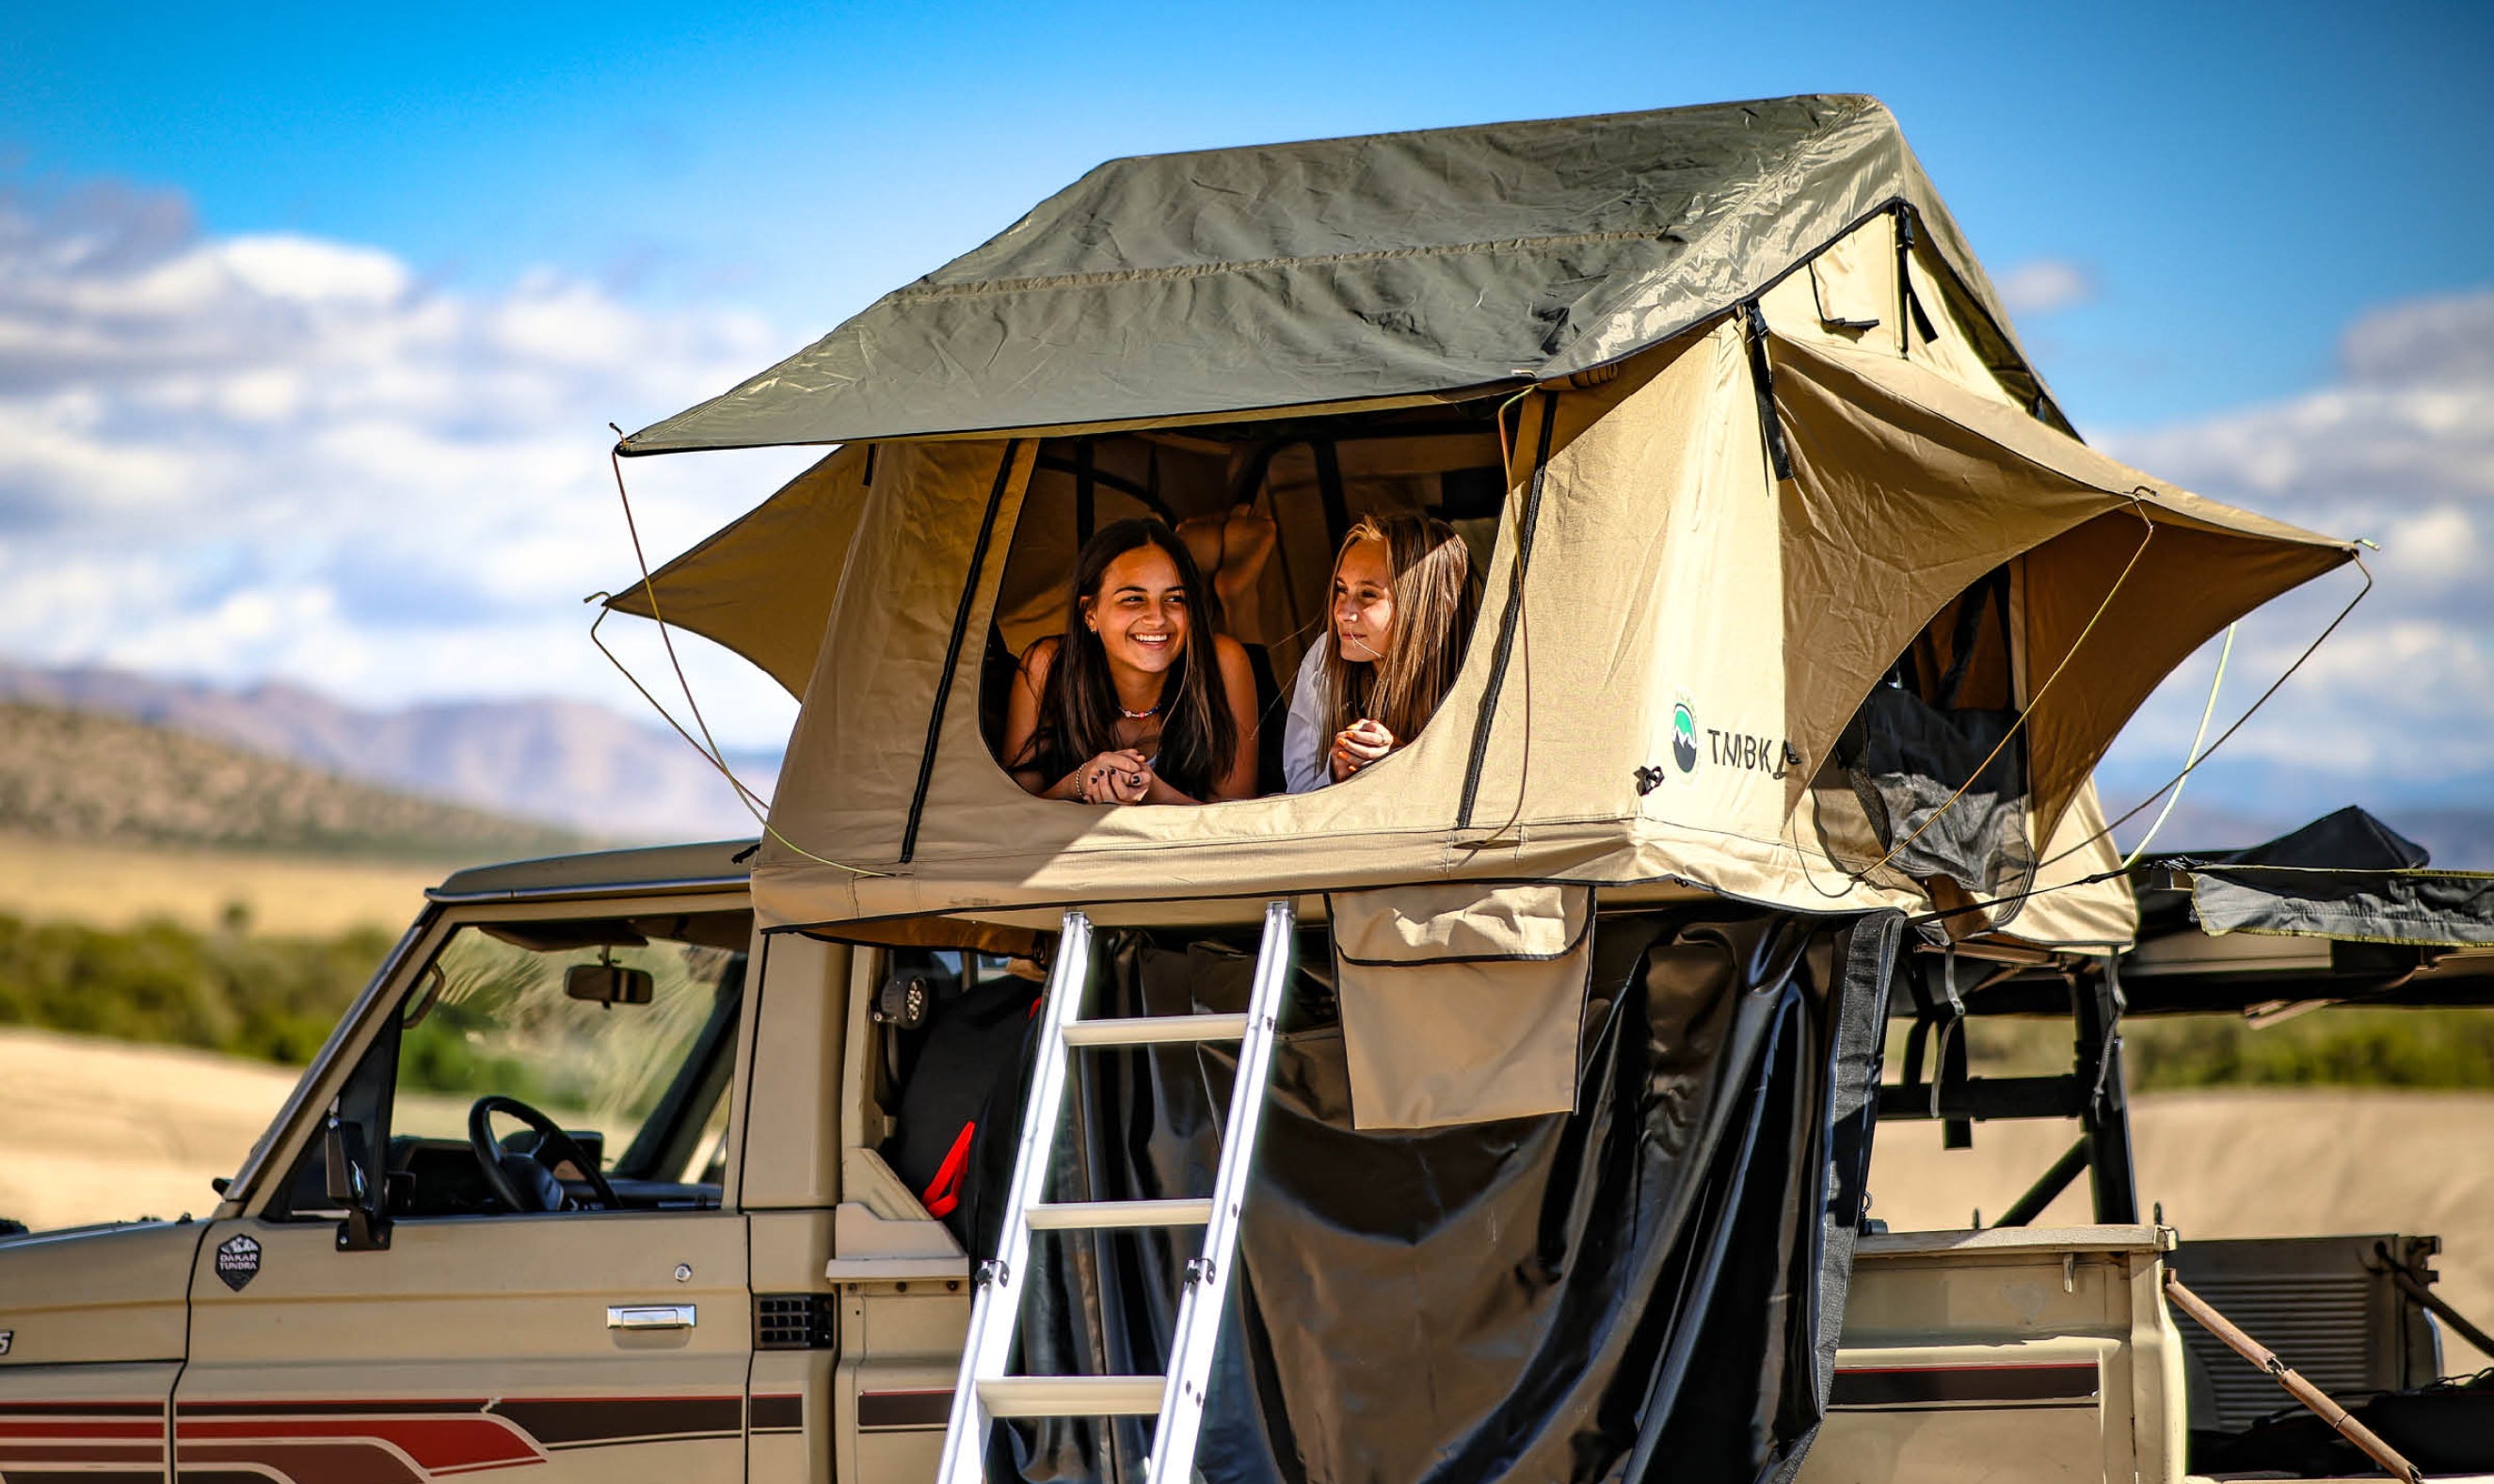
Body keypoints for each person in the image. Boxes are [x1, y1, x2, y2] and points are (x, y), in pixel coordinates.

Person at [1000, 519, 1259, 804]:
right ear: (1090, 612)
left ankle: (1235, 594)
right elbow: (1014, 815)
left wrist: (1150, 791)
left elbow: (1238, 823)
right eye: (1134, 599)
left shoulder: (1223, 662)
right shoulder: (1049, 666)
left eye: (1174, 599)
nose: (1157, 618)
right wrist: (1081, 782)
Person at [1283, 513, 1479, 792]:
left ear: (1421, 607)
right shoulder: (1325, 658)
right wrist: (1336, 772)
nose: (1341, 612)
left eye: (1367, 594)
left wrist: (1399, 761)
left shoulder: (1478, 667)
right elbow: (1298, 792)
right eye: (1341, 590)